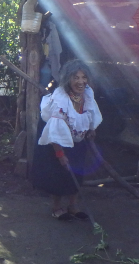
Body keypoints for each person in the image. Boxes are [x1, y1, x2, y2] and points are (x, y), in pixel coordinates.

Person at [31, 59, 102, 221]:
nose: (80, 81)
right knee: (60, 174)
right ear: (68, 79)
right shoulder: (61, 99)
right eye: (75, 77)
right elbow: (55, 131)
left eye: (83, 77)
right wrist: (60, 154)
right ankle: (57, 207)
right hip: (59, 142)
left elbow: (90, 114)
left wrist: (91, 130)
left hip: (78, 141)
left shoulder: (87, 95)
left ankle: (73, 206)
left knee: (76, 173)